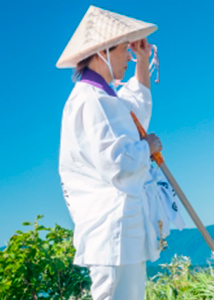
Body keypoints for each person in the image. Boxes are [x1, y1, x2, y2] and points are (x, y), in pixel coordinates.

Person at [55, 5, 179, 299]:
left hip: (121, 229)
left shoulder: (102, 97)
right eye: (125, 49)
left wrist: (143, 60)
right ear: (103, 52)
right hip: (112, 229)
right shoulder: (92, 99)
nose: (129, 55)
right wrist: (147, 147)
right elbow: (119, 164)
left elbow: (133, 110)